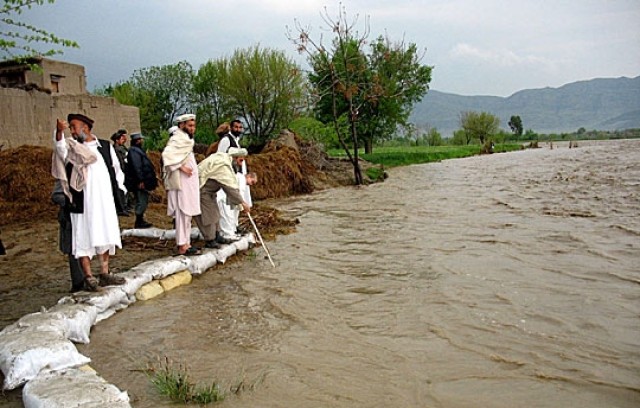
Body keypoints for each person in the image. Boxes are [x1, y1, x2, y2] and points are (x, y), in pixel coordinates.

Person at [51, 113, 126, 291]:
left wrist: (121, 191)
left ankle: (105, 273)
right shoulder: (73, 147)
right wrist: (59, 133)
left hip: (104, 201)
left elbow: (116, 170)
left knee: (105, 234)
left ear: (85, 127)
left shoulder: (105, 147)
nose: (72, 130)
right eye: (69, 127)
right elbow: (60, 149)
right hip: (82, 202)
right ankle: (89, 277)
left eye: (73, 126)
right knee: (83, 236)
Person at [194, 148, 252, 249]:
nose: (241, 164)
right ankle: (210, 240)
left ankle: (217, 236)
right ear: (234, 158)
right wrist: (243, 203)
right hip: (201, 189)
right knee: (209, 216)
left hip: (209, 191)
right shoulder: (224, 165)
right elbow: (230, 189)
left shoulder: (224, 160)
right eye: (240, 161)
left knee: (216, 213)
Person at [162, 114, 201, 256]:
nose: (192, 128)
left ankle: (187, 242)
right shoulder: (176, 138)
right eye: (189, 125)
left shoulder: (186, 140)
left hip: (189, 182)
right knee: (182, 213)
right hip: (182, 182)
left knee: (188, 214)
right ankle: (182, 245)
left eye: (193, 125)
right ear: (181, 125)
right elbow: (167, 156)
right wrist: (181, 167)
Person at [51, 180, 84, 292]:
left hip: (85, 218)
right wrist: (73, 203)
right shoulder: (66, 172)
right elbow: (56, 195)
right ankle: (78, 282)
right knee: (73, 250)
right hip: (70, 218)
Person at [125, 133, 157, 229]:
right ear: (137, 140)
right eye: (141, 139)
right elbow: (137, 167)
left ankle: (140, 220)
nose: (142, 141)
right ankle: (139, 221)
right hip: (138, 182)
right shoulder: (134, 151)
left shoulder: (137, 151)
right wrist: (140, 180)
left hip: (141, 181)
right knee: (141, 201)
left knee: (143, 200)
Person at [110, 129, 130, 216]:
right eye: (121, 139)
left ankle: (125, 207)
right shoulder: (115, 150)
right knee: (121, 190)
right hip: (119, 172)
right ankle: (122, 208)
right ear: (117, 140)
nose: (123, 140)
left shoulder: (122, 148)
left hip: (123, 171)